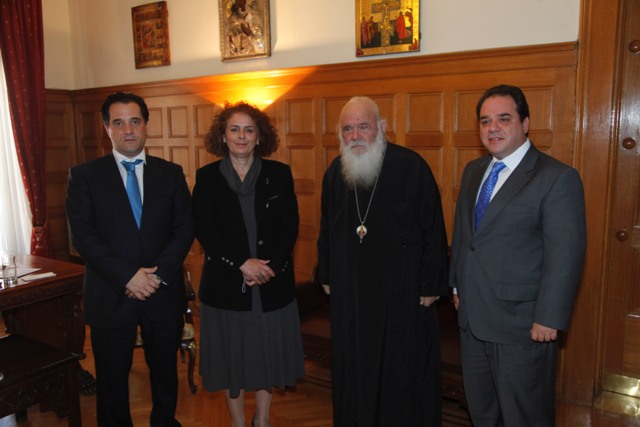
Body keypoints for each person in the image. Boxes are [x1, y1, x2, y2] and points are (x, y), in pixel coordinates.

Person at [449, 84, 587, 426]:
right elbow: (465, 236)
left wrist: (549, 317)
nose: (492, 128)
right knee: (482, 412)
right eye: (485, 121)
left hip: (522, 326)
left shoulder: (556, 178)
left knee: (524, 416)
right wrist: (456, 286)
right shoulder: (473, 171)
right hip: (473, 319)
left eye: (504, 119)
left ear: (525, 123)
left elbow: (565, 253)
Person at [317, 96, 449, 426]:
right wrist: (327, 273)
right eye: (347, 129)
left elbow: (433, 227)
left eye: (363, 127)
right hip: (351, 294)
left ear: (381, 128)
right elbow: (327, 228)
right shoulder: (335, 172)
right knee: (353, 366)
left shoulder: (411, 166)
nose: (355, 136)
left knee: (399, 370)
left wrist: (430, 283)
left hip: (399, 294)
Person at [66, 92, 194, 427]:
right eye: (119, 122)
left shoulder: (171, 173)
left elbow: (184, 229)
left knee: (165, 373)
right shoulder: (84, 176)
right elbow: (84, 238)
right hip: (110, 294)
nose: (128, 130)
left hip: (161, 293)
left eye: (135, 121)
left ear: (146, 125)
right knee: (111, 381)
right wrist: (128, 277)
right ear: (106, 127)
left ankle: (164, 422)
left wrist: (156, 276)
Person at [192, 101, 304, 427]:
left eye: (249, 130)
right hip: (227, 285)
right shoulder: (207, 178)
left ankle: (262, 419)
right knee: (233, 359)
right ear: (223, 136)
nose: (241, 136)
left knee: (267, 355)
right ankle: (238, 422)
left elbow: (290, 226)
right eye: (234, 129)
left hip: (270, 283)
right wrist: (241, 263)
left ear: (259, 137)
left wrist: (268, 268)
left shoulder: (279, 174)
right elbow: (205, 229)